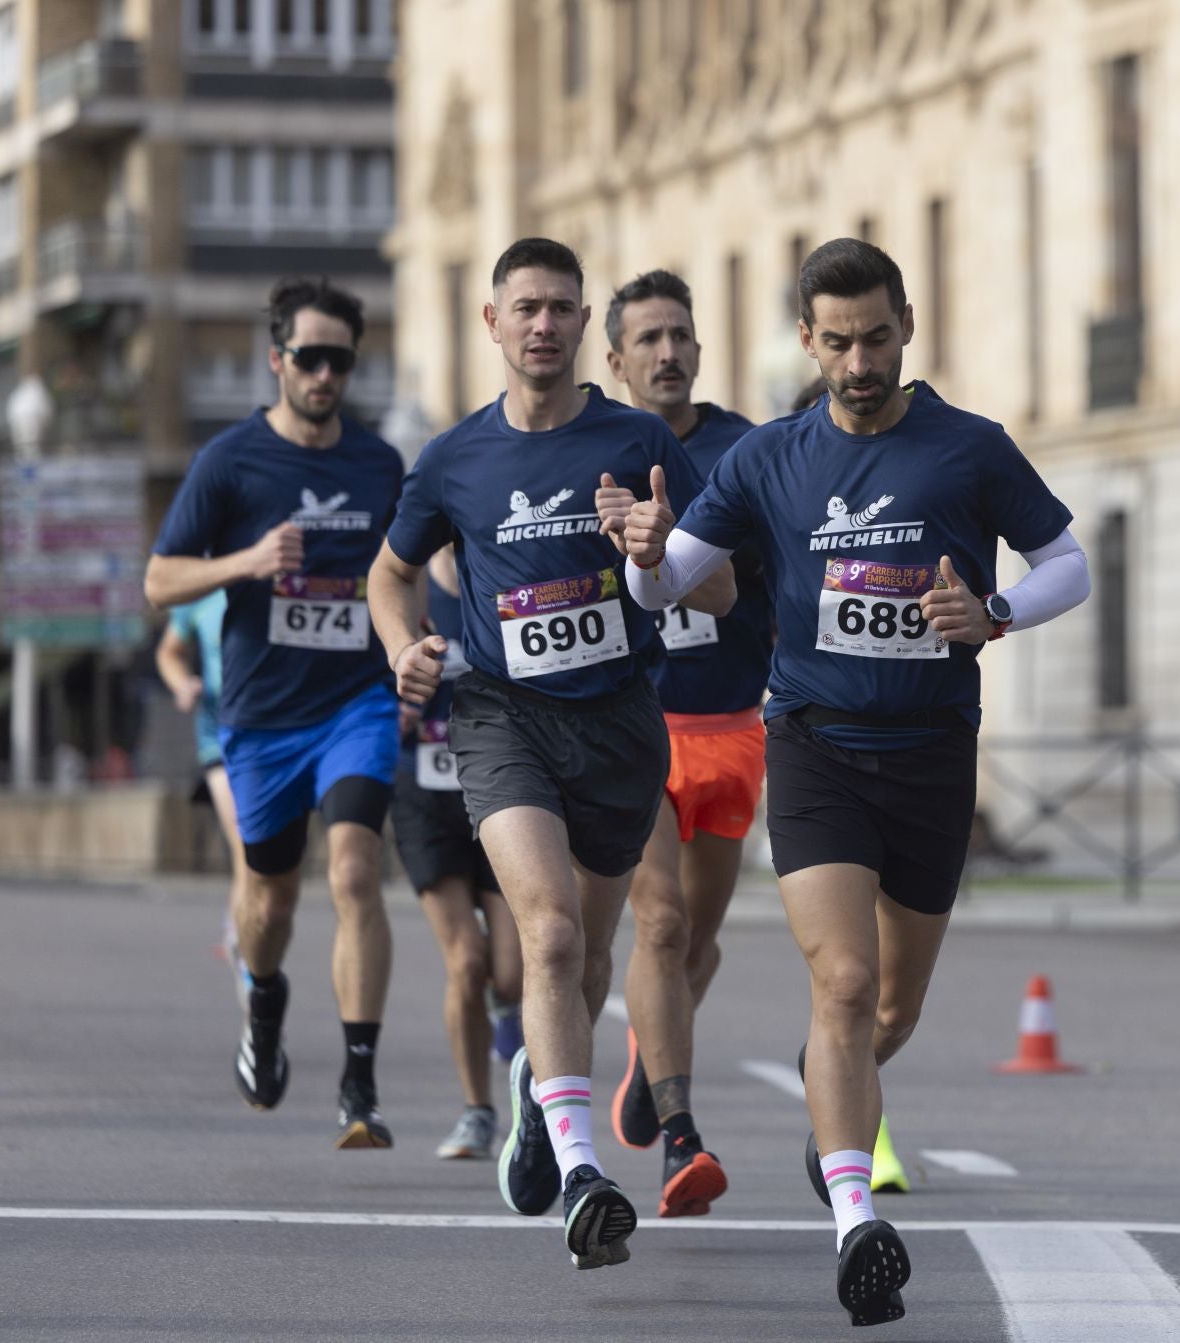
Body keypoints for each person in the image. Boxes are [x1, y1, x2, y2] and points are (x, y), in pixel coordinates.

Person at [618, 237, 1090, 1326]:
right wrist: (645, 553)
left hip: (932, 756)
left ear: (907, 325)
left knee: (888, 1005)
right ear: (806, 343)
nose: (860, 360)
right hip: (815, 745)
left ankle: (832, 1086)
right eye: (838, 342)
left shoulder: (970, 448)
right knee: (840, 980)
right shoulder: (767, 459)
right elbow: (666, 591)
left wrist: (999, 612)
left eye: (877, 336)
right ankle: (855, 1221)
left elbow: (1064, 558)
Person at [366, 237, 735, 1270]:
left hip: (619, 721)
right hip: (499, 716)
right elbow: (387, 578)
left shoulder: (638, 439)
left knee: (590, 961)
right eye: (524, 306)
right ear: (493, 323)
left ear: (582, 327)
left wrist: (661, 548)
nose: (542, 324)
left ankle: (542, 1096)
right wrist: (405, 650)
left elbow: (722, 591)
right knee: (551, 933)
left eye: (561, 308)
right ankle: (582, 1170)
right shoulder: (453, 459)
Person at [145, 275, 405, 1149]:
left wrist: (413, 649)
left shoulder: (378, 464)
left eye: (339, 358)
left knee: (357, 872)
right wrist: (247, 561)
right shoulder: (231, 461)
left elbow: (398, 576)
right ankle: (263, 1002)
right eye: (309, 357)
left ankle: (359, 1086)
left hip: (356, 704)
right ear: (276, 359)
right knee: (270, 900)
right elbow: (158, 580)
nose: (325, 374)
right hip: (262, 718)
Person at [599, 270, 768, 1219]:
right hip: (638, 724)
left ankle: (648, 1049)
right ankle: (680, 1135)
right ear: (616, 360)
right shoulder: (596, 451)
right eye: (649, 339)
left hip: (734, 723)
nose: (668, 352)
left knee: (694, 944)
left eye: (682, 335)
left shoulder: (747, 450)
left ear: (700, 350)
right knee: (658, 924)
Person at [389, 544, 525, 1160]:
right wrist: (392, 704)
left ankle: (507, 1014)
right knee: (466, 963)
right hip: (425, 795)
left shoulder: (501, 576)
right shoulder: (406, 588)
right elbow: (371, 673)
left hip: (500, 790)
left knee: (512, 972)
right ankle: (477, 1112)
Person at [155, 589, 251, 995]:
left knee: (271, 858)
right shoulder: (202, 588)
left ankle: (245, 927)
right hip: (219, 735)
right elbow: (169, 652)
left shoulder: (276, 572)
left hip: (274, 730)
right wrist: (184, 685)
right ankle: (245, 950)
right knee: (247, 843)